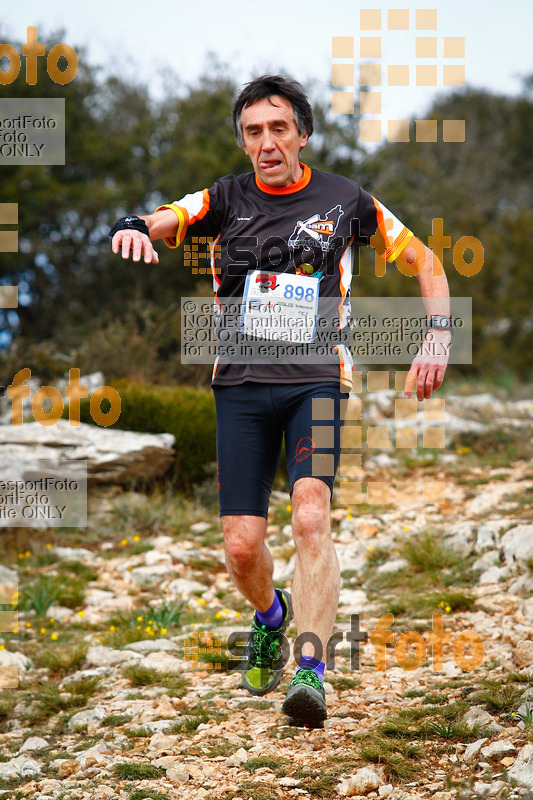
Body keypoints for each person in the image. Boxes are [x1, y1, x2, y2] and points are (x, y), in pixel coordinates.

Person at [109, 74, 452, 726]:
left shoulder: (346, 200)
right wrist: (138, 229)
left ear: (301, 133)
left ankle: (311, 673)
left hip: (316, 380)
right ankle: (271, 614)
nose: (266, 143)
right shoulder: (222, 198)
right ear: (243, 141)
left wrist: (435, 336)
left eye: (277, 128)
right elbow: (163, 216)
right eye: (252, 132)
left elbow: (427, 262)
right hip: (238, 386)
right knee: (241, 547)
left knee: (310, 516)